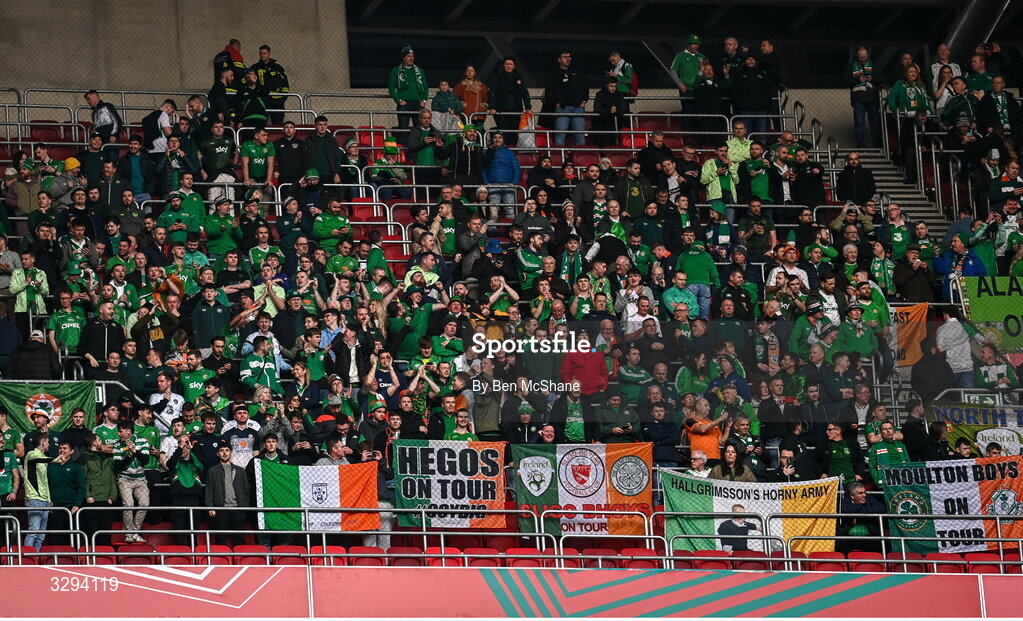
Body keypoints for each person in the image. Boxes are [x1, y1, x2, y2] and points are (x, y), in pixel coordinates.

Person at [205, 444, 250, 546]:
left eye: (227, 450)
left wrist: (244, 507)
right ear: (217, 454)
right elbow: (209, 491)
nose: (224, 453)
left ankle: (240, 561)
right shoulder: (212, 471)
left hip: (238, 510)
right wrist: (210, 507)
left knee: (239, 539)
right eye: (221, 450)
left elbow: (246, 491)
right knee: (220, 539)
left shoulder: (240, 471)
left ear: (231, 453)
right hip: (221, 510)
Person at [545, 50, 588, 147]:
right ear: (559, 59)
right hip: (562, 108)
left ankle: (581, 158)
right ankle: (560, 159)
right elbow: (549, 91)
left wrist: (584, 100)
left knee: (580, 136)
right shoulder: (554, 75)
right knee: (560, 136)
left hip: (578, 107)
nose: (567, 59)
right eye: (565, 57)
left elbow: (585, 88)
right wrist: (556, 102)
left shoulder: (577, 73)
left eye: (569, 57)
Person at [847, 47, 882, 149]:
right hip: (858, 99)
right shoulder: (851, 67)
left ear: (868, 55)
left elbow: (883, 78)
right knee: (859, 124)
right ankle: (861, 146)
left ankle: (877, 146)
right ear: (857, 56)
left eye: (865, 57)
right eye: (861, 57)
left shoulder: (874, 66)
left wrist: (873, 78)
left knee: (875, 124)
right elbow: (845, 81)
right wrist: (858, 79)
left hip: (872, 99)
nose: (863, 59)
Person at [837, 482, 884, 554]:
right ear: (852, 496)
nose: (864, 495)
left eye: (864, 492)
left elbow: (881, 508)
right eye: (860, 493)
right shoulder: (844, 501)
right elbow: (846, 509)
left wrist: (857, 517)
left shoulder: (869, 498)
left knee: (883, 544)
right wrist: (866, 512)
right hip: (849, 536)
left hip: (869, 536)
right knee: (840, 543)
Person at [389, 46, 428, 132]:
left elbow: (425, 87)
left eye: (412, 56)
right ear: (403, 58)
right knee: (403, 129)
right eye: (408, 56)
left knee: (419, 129)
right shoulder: (396, 71)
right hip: (404, 104)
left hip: (417, 103)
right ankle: (403, 145)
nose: (411, 58)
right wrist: (399, 100)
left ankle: (418, 145)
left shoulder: (420, 71)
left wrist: (424, 100)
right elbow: (391, 88)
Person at [248, 45, 290, 124]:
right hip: (262, 99)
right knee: (261, 122)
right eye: (261, 53)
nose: (262, 55)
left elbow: (285, 82)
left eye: (265, 53)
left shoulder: (277, 67)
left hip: (277, 101)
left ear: (269, 54)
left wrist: (283, 96)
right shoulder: (255, 67)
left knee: (278, 123)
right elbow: (250, 83)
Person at [867, 421, 909, 488]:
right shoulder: (876, 447)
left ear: (893, 431)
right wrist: (878, 481)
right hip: (885, 483)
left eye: (890, 428)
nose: (888, 431)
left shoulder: (901, 445)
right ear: (881, 433)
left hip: (902, 481)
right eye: (885, 429)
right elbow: (872, 466)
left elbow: (908, 463)